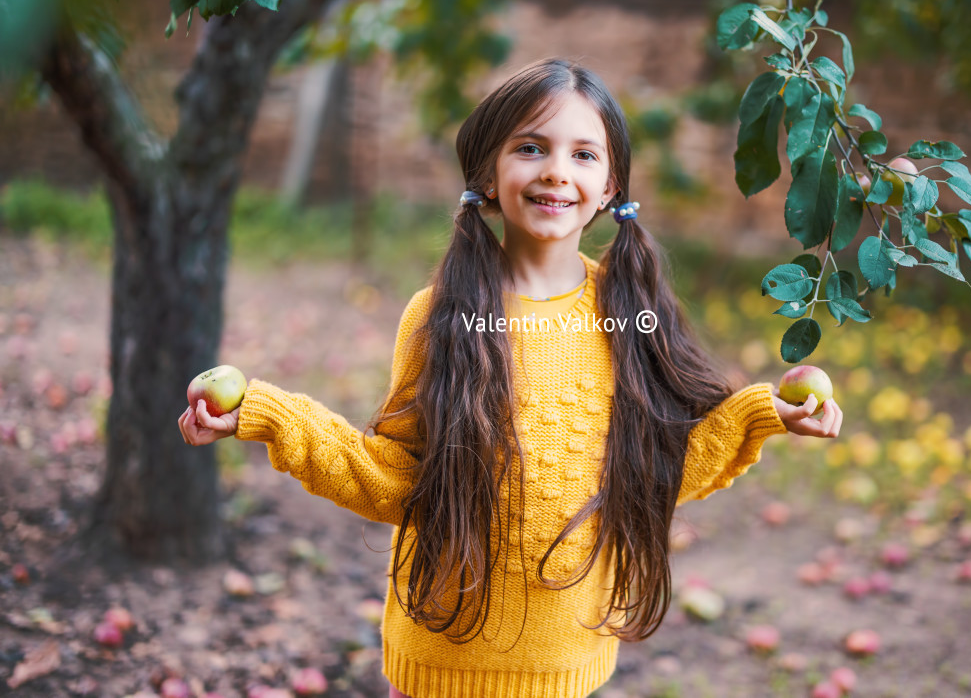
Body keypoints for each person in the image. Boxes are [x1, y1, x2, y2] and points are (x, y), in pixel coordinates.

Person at [179, 58, 842, 698]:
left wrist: (764, 414)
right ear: (490, 174)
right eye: (531, 147)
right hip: (442, 660)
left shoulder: (627, 313)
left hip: (567, 664)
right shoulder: (440, 316)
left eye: (584, 154)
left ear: (611, 187)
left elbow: (653, 475)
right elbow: (398, 478)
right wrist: (271, 416)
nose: (557, 171)